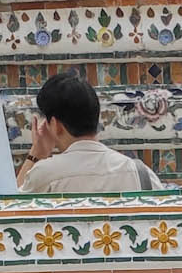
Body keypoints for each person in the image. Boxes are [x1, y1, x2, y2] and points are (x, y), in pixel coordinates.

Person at [18, 72, 161, 194]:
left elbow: (8, 210)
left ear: (55, 125)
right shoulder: (140, 174)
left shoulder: (45, 175)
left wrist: (36, 154)